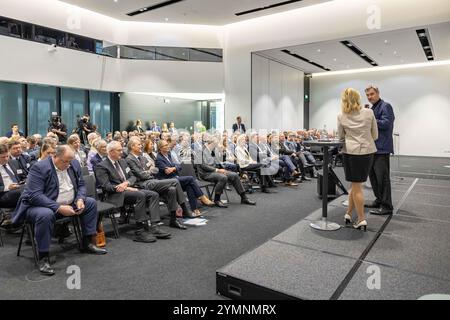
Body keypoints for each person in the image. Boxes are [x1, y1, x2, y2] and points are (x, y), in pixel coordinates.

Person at [12, 145, 107, 276]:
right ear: (54, 156)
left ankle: (87, 243)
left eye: (70, 161)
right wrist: (58, 207)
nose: (68, 164)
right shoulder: (40, 168)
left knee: (90, 203)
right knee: (45, 214)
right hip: (39, 206)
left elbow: (81, 185)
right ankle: (43, 257)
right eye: (65, 161)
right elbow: (35, 195)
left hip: (69, 203)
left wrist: (79, 199)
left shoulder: (72, 163)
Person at [95, 141, 172, 242]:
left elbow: (133, 176)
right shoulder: (102, 166)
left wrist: (126, 183)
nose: (122, 152)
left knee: (153, 194)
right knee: (140, 195)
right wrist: (125, 187)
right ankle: (139, 231)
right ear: (111, 152)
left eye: (122, 149)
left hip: (129, 189)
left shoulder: (122, 161)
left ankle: (154, 227)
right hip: (115, 195)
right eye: (119, 150)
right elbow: (106, 187)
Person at [337, 88, 378, 231]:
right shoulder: (369, 112)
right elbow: (375, 135)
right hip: (367, 152)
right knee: (355, 186)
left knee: (356, 187)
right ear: (358, 98)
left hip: (350, 153)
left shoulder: (341, 116)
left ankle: (361, 219)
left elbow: (340, 138)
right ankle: (348, 213)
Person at [125, 137, 190, 226]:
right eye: (139, 144)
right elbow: (141, 175)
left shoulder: (142, 157)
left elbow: (155, 169)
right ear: (132, 146)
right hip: (143, 184)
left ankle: (173, 220)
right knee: (175, 181)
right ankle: (185, 208)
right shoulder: (129, 159)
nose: (141, 146)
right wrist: (149, 172)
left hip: (152, 180)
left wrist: (148, 172)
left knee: (172, 189)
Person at [155, 139, 214, 217]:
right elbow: (167, 171)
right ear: (160, 148)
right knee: (190, 179)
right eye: (165, 145)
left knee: (189, 185)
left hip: (175, 178)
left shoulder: (168, 155)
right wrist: (174, 168)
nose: (168, 146)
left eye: (167, 144)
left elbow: (179, 166)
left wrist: (173, 168)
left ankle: (195, 209)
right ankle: (202, 197)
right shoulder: (159, 159)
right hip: (168, 181)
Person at [197, 137, 256, 208]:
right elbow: (203, 166)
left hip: (215, 171)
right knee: (222, 177)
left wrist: (223, 169)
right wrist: (218, 170)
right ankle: (217, 200)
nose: (217, 145)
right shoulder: (200, 151)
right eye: (216, 144)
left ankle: (244, 198)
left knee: (234, 175)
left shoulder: (212, 150)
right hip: (205, 174)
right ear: (211, 143)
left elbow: (218, 163)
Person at [364, 85, 395, 216]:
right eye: (368, 95)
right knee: (373, 178)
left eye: (372, 94)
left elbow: (386, 123)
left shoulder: (385, 106)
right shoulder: (372, 108)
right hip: (372, 148)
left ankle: (387, 206)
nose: (370, 97)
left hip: (382, 148)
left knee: (382, 178)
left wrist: (369, 119)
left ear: (377, 93)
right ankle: (379, 199)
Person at [0, 144, 24, 210]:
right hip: (4, 194)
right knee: (23, 191)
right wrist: (8, 187)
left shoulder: (14, 162)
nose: (6, 159)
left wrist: (25, 181)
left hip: (19, 188)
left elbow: (23, 176)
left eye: (7, 156)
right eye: (3, 157)